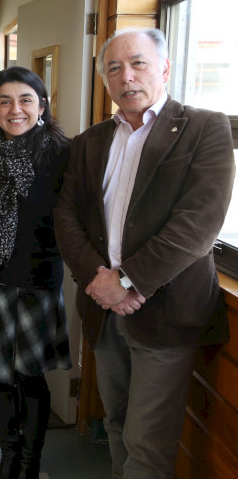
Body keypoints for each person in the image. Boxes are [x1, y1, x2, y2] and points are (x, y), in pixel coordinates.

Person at [53, 28, 235, 479]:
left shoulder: (206, 129)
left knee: (149, 443)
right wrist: (98, 280)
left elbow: (197, 225)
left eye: (138, 63)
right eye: (114, 68)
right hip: (103, 309)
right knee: (116, 423)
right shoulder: (90, 141)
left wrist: (127, 281)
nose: (126, 76)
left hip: (167, 311)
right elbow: (66, 214)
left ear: (165, 67)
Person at [0, 67, 72, 479]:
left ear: (42, 105)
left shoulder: (61, 152)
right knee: (0, 376)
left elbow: (74, 219)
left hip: (37, 281)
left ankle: (30, 463)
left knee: (29, 375)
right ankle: (7, 457)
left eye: (25, 99)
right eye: (4, 101)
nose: (15, 109)